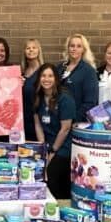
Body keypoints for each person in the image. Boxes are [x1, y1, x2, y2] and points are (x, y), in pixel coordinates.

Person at [34, 63, 76, 199]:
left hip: (63, 147)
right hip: (47, 145)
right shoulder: (38, 97)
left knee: (51, 173)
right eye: (43, 76)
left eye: (50, 76)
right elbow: (38, 125)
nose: (47, 79)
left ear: (56, 79)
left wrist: (52, 152)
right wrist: (42, 150)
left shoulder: (65, 98)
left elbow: (65, 129)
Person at [57, 33, 98, 123]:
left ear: (83, 49)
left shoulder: (88, 71)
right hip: (57, 119)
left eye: (79, 46)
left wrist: (73, 119)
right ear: (68, 48)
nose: (74, 49)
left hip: (75, 121)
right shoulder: (60, 67)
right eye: (72, 46)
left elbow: (90, 102)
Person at [21, 39, 44, 141]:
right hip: (23, 120)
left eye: (34, 47)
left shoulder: (43, 72)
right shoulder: (21, 73)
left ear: (38, 51)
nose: (31, 50)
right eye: (28, 48)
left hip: (38, 120)